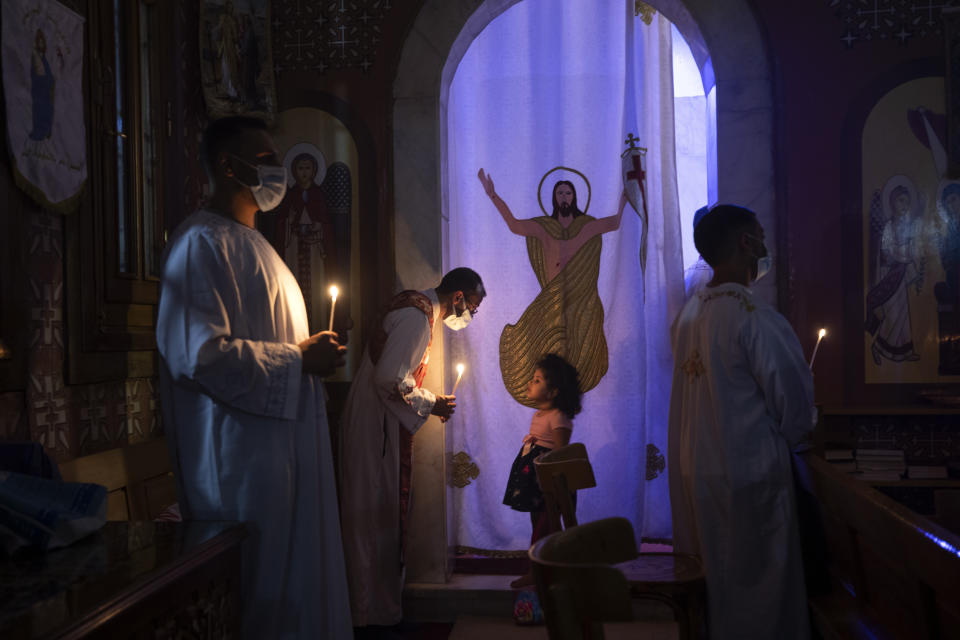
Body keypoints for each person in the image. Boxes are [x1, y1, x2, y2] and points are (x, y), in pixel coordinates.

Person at [156, 116, 353, 638]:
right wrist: (297, 360)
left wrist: (314, 359)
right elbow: (196, 356)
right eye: (266, 160)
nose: (279, 171)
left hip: (283, 455)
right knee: (259, 600)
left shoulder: (262, 249)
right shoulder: (199, 244)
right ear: (228, 166)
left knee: (292, 591)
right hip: (237, 467)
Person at [667, 204, 815, 639]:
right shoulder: (755, 317)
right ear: (746, 244)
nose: (765, 246)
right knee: (759, 595)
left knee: (716, 587)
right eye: (760, 236)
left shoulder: (688, 315)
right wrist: (793, 436)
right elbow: (796, 407)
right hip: (749, 476)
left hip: (697, 472)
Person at [339, 267, 486, 630]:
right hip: (376, 427)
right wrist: (432, 402)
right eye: (472, 307)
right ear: (457, 298)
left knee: (378, 516)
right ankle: (369, 617)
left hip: (379, 421)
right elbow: (389, 377)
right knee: (373, 518)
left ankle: (377, 611)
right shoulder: (417, 318)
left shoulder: (417, 309)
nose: (470, 316)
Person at [477, 168, 627, 405]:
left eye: (568, 193)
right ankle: (550, 400)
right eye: (560, 193)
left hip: (581, 301)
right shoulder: (544, 228)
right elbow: (514, 225)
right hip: (551, 300)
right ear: (554, 198)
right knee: (538, 347)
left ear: (574, 197)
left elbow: (615, 222)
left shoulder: (585, 226)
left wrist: (626, 195)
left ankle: (564, 401)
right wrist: (492, 195)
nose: (564, 197)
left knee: (579, 350)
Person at [502, 353, 582, 588]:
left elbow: (560, 451)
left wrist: (550, 475)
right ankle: (542, 570)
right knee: (538, 523)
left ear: (554, 391)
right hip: (535, 481)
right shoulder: (539, 415)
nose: (530, 383)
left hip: (550, 482)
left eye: (537, 380)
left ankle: (539, 572)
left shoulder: (558, 416)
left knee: (546, 528)